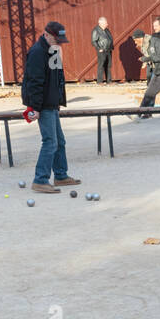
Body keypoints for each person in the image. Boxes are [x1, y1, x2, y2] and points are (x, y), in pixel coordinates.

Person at [21, 20, 81, 195]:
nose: (59, 43)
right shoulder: (37, 53)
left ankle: (61, 175)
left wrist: (58, 101)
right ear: (46, 34)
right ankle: (40, 180)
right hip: (43, 104)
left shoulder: (52, 50)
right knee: (50, 142)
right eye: (56, 39)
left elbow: (56, 78)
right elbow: (35, 83)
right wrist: (35, 107)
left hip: (51, 103)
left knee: (59, 142)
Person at [92, 17, 114, 84]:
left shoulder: (106, 30)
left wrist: (111, 46)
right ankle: (100, 81)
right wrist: (99, 48)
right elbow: (94, 41)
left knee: (108, 65)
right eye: (105, 23)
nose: (107, 24)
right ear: (100, 23)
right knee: (101, 65)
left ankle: (109, 81)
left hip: (108, 50)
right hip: (102, 50)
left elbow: (110, 38)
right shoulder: (96, 30)